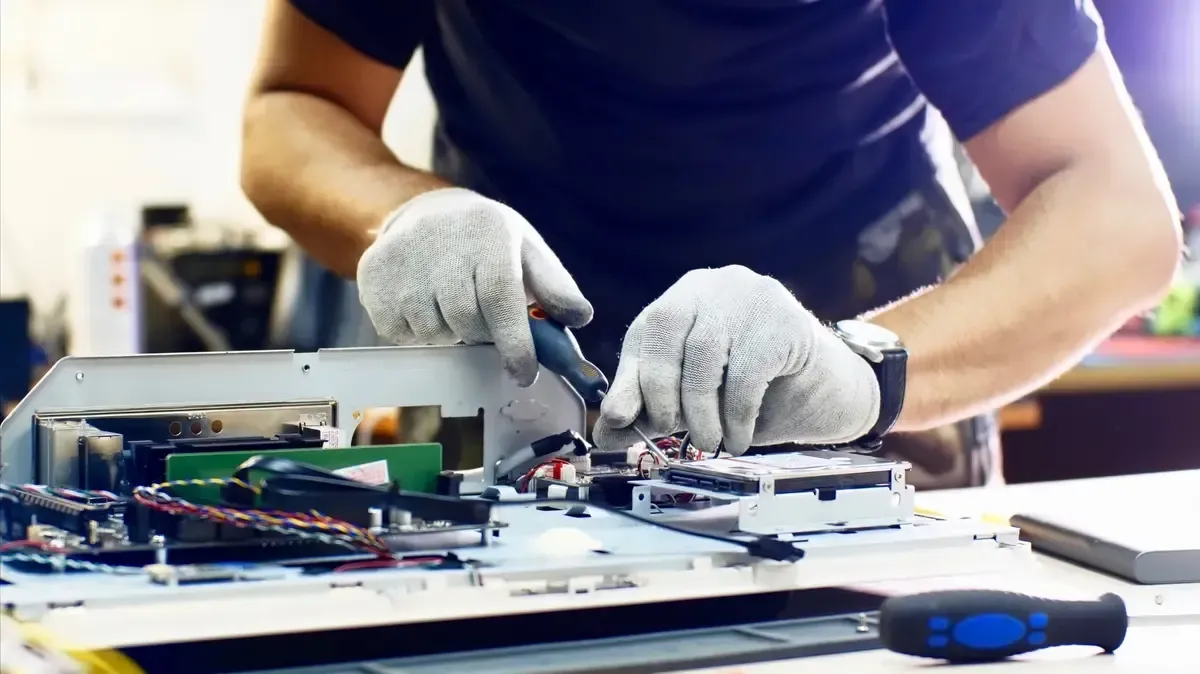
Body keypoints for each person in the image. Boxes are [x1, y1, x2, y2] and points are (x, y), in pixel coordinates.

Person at [240, 0, 1181, 488]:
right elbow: (295, 109)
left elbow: (1116, 212)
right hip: (518, 356)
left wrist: (863, 372)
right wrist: (406, 216)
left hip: (855, 358)